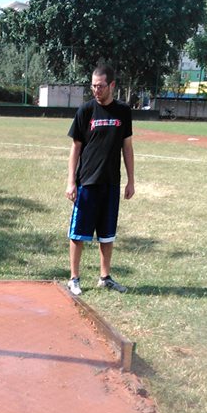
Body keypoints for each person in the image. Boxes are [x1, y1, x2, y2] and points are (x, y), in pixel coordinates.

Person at [65, 63, 135, 295]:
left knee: (107, 234)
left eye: (101, 86)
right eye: (93, 86)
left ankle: (105, 277)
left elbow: (127, 147)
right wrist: (71, 181)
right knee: (78, 234)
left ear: (112, 85)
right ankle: (74, 278)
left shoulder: (123, 112)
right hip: (87, 182)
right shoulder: (85, 111)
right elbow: (75, 148)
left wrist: (131, 180)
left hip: (111, 182)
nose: (96, 90)